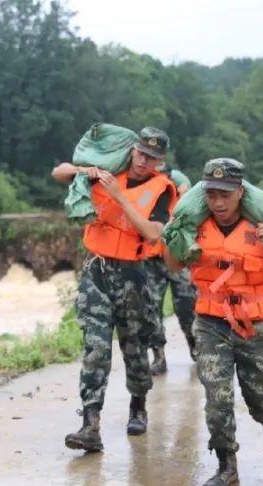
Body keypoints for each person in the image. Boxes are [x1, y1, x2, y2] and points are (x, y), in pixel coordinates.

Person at [164, 158, 263, 486]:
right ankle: (226, 465)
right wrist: (175, 239)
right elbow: (173, 263)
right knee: (217, 398)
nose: (219, 203)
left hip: (256, 325)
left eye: (226, 194)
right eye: (211, 194)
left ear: (241, 192)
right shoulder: (195, 225)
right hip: (211, 323)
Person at [51, 127, 176, 450]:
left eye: (152, 157)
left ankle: (138, 405)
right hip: (97, 269)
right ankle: (90, 424)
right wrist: (85, 170)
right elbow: (59, 172)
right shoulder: (107, 173)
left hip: (133, 274)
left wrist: (120, 198)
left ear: (160, 162)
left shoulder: (162, 188)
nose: (143, 161)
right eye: (140, 153)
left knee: (134, 346)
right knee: (96, 347)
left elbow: (152, 232)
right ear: (131, 150)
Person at [158, 165, 200, 362]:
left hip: (177, 255)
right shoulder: (143, 190)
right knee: (151, 308)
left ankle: (194, 343)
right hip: (150, 258)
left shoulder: (180, 187)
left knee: (185, 303)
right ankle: (158, 356)